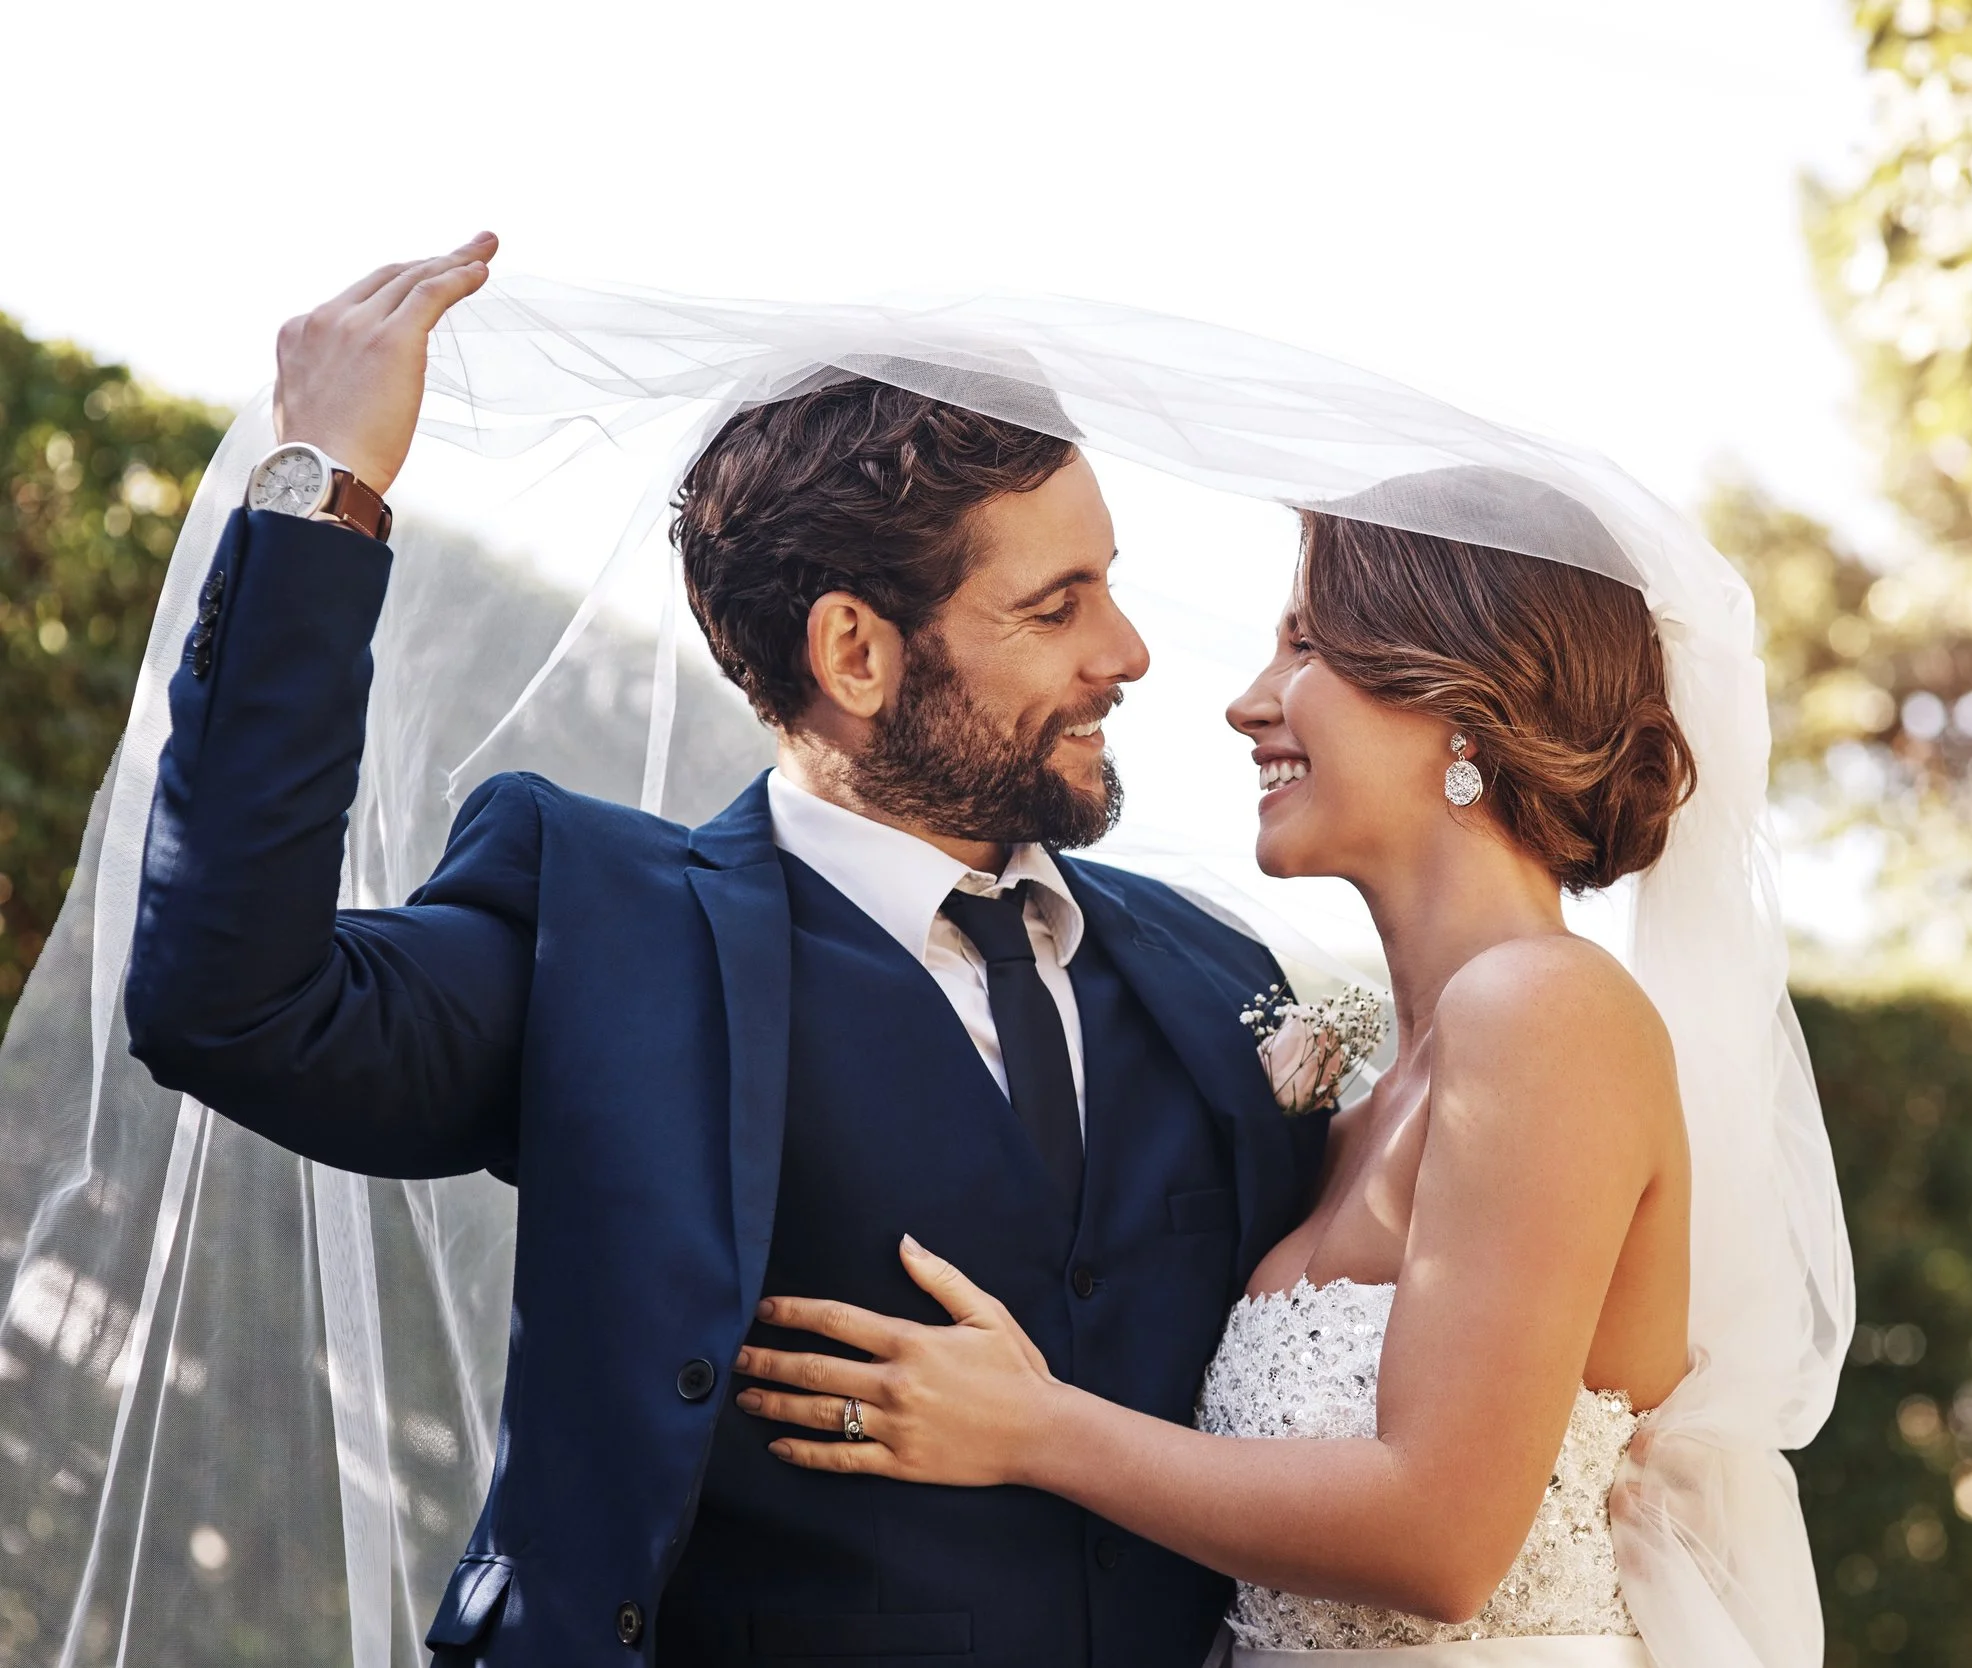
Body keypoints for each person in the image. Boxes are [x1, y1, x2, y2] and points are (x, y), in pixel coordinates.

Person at [119, 237, 1328, 1667]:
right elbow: (228, 1005)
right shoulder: (606, 931)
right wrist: (324, 496)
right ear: (856, 653)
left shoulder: (1217, 973)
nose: (1126, 653)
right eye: (1056, 606)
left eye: (1109, 587)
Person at [727, 507, 1720, 1663]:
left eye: (1305, 649)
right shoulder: (1355, 1110)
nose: (1249, 702)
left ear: (1459, 702)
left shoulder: (1544, 1010)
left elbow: (1442, 1543)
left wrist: (1034, 1428)